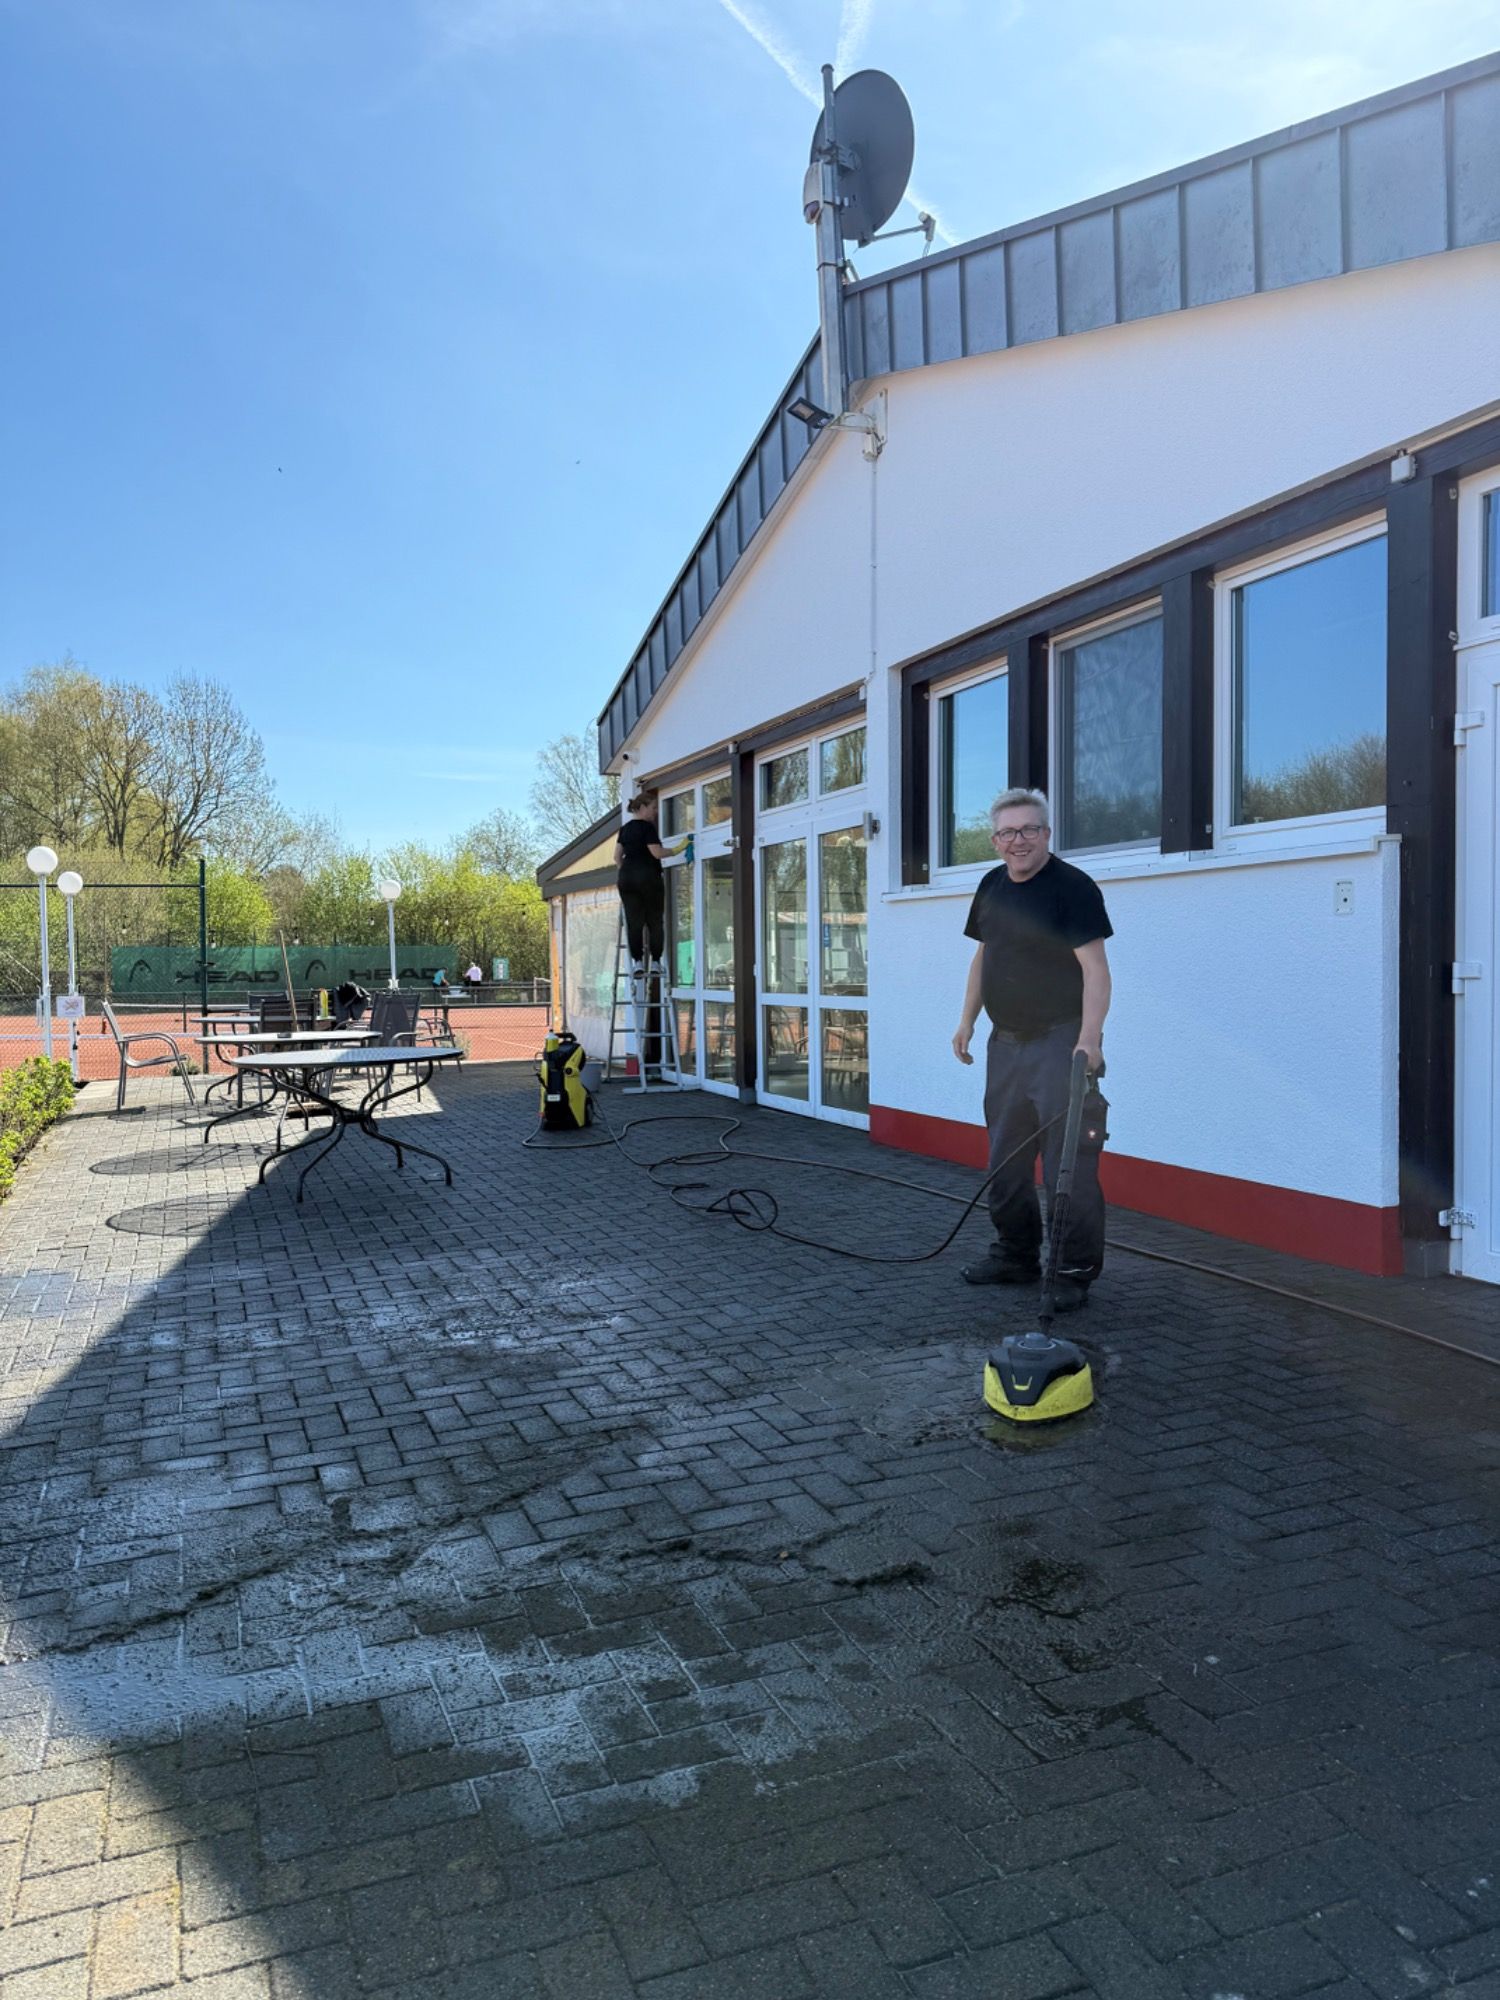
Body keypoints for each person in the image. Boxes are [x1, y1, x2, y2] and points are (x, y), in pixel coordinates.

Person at [952, 787, 1112, 1311]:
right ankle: (1015, 1256)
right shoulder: (991, 886)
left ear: (1046, 833)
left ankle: (1071, 1272)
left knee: (1070, 1165)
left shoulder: (1072, 888)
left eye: (1027, 830)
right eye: (1007, 832)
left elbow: (1096, 971)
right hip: (1005, 1044)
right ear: (994, 841)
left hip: (1059, 1042)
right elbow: (984, 957)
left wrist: (1089, 1040)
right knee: (1006, 1159)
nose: (1017, 841)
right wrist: (967, 1020)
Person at [614, 792, 689, 975]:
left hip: (626, 879)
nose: (656, 812)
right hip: (648, 877)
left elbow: (616, 857)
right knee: (654, 921)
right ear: (642, 807)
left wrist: (628, 872)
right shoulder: (647, 827)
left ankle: (638, 962)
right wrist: (679, 848)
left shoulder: (624, 829)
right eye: (653, 808)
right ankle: (655, 962)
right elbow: (657, 853)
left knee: (634, 921)